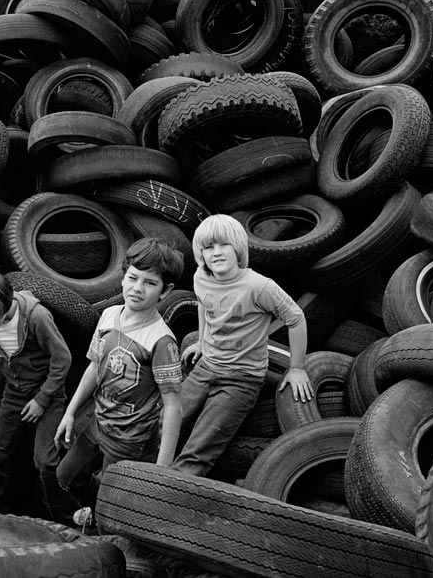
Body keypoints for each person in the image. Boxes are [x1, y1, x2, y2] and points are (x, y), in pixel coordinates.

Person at [54, 237, 185, 530]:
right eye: (132, 277)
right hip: (98, 423)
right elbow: (94, 365)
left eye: (150, 283)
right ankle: (101, 508)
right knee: (66, 477)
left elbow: (174, 406)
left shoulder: (161, 341)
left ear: (166, 291)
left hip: (131, 441)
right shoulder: (110, 315)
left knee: (112, 514)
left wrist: (164, 469)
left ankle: (109, 532)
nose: (137, 288)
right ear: (123, 276)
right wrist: (71, 412)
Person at [171, 214, 313, 477]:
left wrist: (297, 368)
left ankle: (160, 503)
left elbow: (295, 318)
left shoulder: (258, 287)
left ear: (238, 247)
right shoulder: (201, 278)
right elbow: (204, 304)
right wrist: (202, 341)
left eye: (223, 245)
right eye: (208, 248)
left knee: (198, 450)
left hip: (241, 379)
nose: (216, 253)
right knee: (165, 424)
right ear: (200, 254)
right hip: (206, 367)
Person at [0, 269, 76, 522]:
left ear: (6, 303)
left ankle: (68, 516)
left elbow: (62, 358)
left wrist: (41, 400)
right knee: (0, 452)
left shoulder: (36, 317)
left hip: (48, 392)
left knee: (44, 460)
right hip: (14, 389)